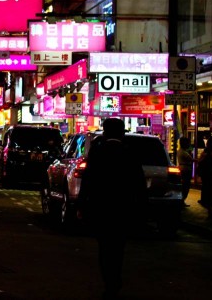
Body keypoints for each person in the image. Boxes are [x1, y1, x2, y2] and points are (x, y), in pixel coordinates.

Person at [77, 118, 147, 299]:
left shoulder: (98, 152)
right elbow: (139, 184)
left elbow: (88, 181)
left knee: (104, 247)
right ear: (122, 133)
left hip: (101, 208)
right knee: (119, 247)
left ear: (105, 133)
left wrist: (82, 204)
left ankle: (110, 281)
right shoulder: (130, 153)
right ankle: (115, 279)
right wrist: (140, 207)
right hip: (123, 209)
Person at [197, 136, 212, 218]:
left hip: (208, 173)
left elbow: (200, 161)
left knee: (207, 188)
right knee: (209, 189)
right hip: (210, 172)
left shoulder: (208, 150)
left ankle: (207, 203)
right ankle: (209, 205)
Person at [178, 137, 195, 206]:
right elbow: (193, 160)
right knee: (186, 187)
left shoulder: (181, 151)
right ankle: (182, 201)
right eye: (188, 143)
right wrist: (202, 157)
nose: (189, 144)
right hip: (186, 171)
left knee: (184, 186)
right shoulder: (184, 152)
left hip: (184, 170)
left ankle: (182, 201)